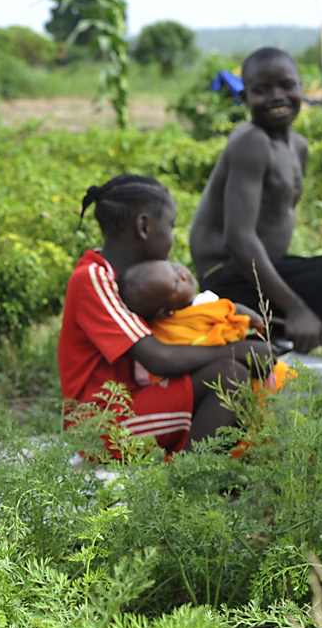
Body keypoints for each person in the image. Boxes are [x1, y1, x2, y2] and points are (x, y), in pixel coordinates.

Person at [187, 47, 322, 370]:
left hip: (265, 273)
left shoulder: (298, 146)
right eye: (261, 90)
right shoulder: (250, 141)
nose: (277, 96)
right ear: (244, 96)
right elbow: (239, 240)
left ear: (302, 88)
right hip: (229, 280)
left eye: (286, 85)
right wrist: (296, 308)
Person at [58, 174, 273, 455]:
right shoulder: (94, 277)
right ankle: (188, 484)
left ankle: (207, 469)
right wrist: (239, 349)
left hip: (135, 401)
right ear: (144, 226)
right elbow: (159, 358)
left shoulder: (138, 280)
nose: (173, 236)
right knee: (229, 375)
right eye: (171, 226)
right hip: (102, 424)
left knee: (232, 374)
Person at [116, 259, 292, 392]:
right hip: (229, 366)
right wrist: (252, 317)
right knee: (283, 380)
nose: (182, 275)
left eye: (173, 267)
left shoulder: (163, 327)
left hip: (229, 364)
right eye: (176, 284)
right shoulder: (199, 309)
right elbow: (230, 310)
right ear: (164, 311)